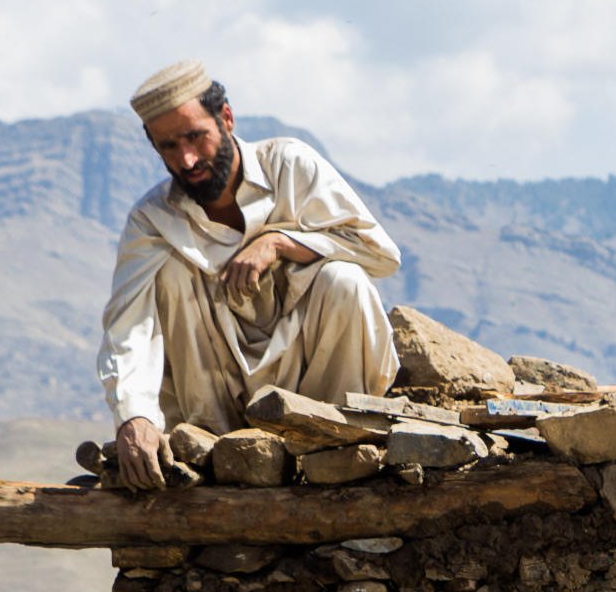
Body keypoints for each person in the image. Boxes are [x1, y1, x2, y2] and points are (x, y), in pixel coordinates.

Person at [94, 60, 401, 489]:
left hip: (312, 384)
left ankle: (338, 446)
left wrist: (279, 242)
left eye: (195, 137)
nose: (186, 159)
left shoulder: (290, 167)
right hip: (215, 402)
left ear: (227, 118)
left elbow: (380, 255)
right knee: (171, 273)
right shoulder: (152, 220)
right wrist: (134, 416)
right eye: (168, 147)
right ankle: (215, 452)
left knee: (344, 280)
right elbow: (127, 328)